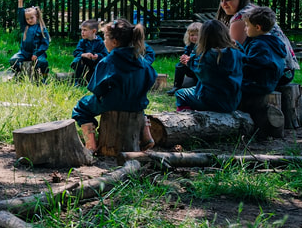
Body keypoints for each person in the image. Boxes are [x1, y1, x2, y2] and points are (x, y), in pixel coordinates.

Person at [71, 19, 157, 154]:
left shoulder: (108, 61)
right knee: (139, 106)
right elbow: (151, 78)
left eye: (105, 38)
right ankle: (146, 137)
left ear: (115, 42)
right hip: (137, 103)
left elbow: (96, 88)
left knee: (81, 107)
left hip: (112, 102)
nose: (104, 42)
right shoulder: (141, 60)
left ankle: (91, 144)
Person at [217, 0, 299, 85]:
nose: (224, 4)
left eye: (228, 0)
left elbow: (232, 52)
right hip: (286, 71)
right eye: (221, 0)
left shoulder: (241, 18)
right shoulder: (253, 10)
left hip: (271, 74)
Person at [238, 6, 287, 138]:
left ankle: (249, 128)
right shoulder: (274, 41)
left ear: (257, 27)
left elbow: (252, 65)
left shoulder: (258, 45)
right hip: (270, 81)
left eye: (247, 26)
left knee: (233, 88)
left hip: (258, 83)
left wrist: (238, 57)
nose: (245, 29)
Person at [175, 20, 243, 114]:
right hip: (233, 100)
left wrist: (189, 62)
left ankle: (187, 119)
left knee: (180, 94)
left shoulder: (208, 57)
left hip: (214, 101)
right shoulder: (236, 52)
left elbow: (200, 71)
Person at [10, 0, 50, 79]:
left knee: (42, 62)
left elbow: (44, 44)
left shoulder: (42, 29)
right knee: (13, 60)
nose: (29, 20)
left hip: (38, 54)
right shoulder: (25, 27)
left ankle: (43, 78)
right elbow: (20, 14)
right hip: (24, 52)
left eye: (32, 18)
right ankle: (19, 75)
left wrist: (36, 54)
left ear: (37, 16)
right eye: (27, 19)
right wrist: (20, 2)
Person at [71, 19, 108, 85]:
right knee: (78, 60)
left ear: (93, 31)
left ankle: (95, 79)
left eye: (85, 30)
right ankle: (77, 79)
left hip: (95, 64)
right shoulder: (82, 42)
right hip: (84, 64)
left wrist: (98, 56)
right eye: (81, 30)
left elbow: (105, 54)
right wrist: (83, 54)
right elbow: (76, 52)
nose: (82, 32)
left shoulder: (100, 42)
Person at [169, 22, 203, 93]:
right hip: (191, 67)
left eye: (197, 35)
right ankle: (177, 86)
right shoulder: (189, 46)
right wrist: (184, 58)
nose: (194, 37)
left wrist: (191, 59)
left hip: (199, 68)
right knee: (179, 66)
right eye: (192, 35)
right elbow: (186, 54)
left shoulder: (203, 46)